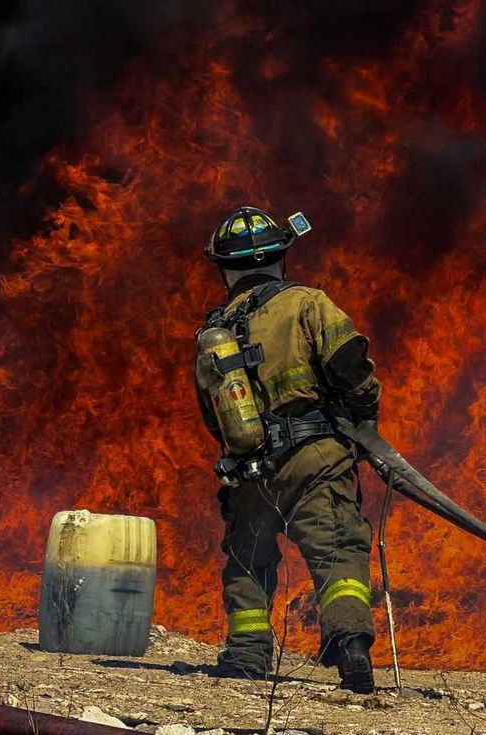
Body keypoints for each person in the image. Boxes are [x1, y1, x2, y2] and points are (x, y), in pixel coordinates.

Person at [195, 206, 381, 693]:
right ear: (281, 257)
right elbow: (348, 362)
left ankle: (245, 658)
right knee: (337, 549)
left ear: (225, 268)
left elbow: (210, 412)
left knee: (248, 561)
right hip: (313, 457)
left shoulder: (214, 334)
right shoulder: (307, 302)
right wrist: (365, 412)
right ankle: (352, 647)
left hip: (250, 469)